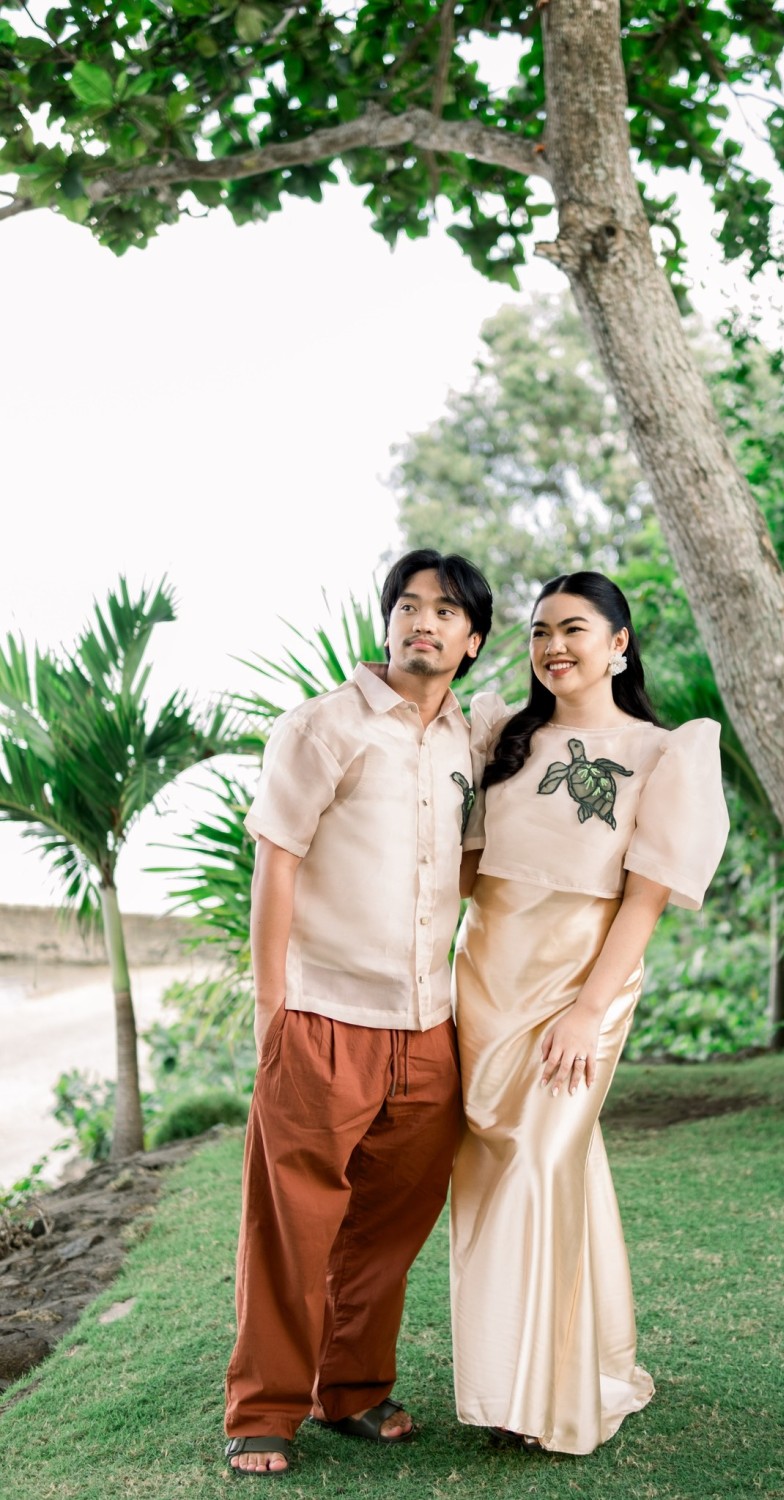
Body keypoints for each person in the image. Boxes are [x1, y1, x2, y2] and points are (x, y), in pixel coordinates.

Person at [224, 549, 492, 1477]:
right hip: (323, 1014)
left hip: (429, 1028)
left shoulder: (469, 740)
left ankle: (352, 1386)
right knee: (291, 1223)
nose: (425, 622)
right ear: (387, 625)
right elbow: (277, 863)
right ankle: (263, 1408)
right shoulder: (323, 727)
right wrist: (271, 1009)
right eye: (409, 607)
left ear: (473, 638)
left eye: (446, 612)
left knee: (389, 1225)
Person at [450, 571, 729, 1456]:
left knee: (539, 1159)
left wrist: (586, 1012)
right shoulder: (500, 735)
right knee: (497, 1172)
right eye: (538, 632)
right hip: (485, 976)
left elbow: (644, 901)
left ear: (619, 642)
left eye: (574, 628)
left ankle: (527, 1401)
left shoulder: (661, 753)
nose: (552, 646)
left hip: (584, 984)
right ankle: (548, 1362)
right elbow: (462, 870)